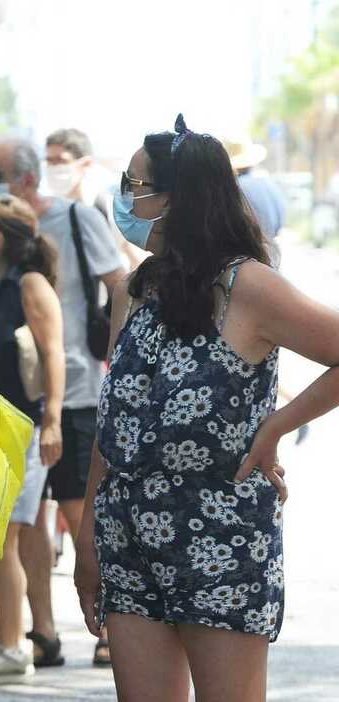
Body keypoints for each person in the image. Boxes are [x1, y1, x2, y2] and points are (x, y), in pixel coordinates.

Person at [74, 115, 333, 702]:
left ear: (178, 199)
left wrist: (275, 428)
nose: (124, 199)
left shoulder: (249, 287)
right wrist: (88, 536)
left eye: (135, 185)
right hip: (127, 530)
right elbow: (113, 422)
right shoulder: (134, 290)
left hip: (222, 532)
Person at [0, 137, 127, 666]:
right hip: (20, 400)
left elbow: (119, 284)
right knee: (28, 519)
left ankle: (110, 627)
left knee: (79, 511)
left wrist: (120, 356)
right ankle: (42, 632)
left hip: (79, 392)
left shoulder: (78, 219)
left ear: (25, 177)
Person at [0, 196, 66, 685]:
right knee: (2, 533)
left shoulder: (28, 284)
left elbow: (53, 355)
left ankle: (12, 645)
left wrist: (53, 421)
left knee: (5, 534)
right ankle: (23, 637)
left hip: (21, 428)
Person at [46, 128, 147, 269]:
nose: (54, 168)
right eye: (50, 161)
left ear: (86, 164)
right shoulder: (49, 211)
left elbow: (137, 260)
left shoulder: (109, 210)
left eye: (61, 161)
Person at [226, 138, 287, 267]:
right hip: (271, 249)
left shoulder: (235, 189)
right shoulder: (267, 183)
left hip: (249, 255)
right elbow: (281, 214)